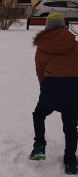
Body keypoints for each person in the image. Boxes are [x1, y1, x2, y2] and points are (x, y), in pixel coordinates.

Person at [28, 12, 78, 175]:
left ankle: (39, 144)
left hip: (52, 87)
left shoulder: (42, 47)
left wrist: (45, 87)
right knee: (71, 127)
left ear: (47, 27)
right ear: (63, 26)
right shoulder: (75, 44)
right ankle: (70, 161)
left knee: (39, 114)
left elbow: (40, 71)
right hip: (73, 89)